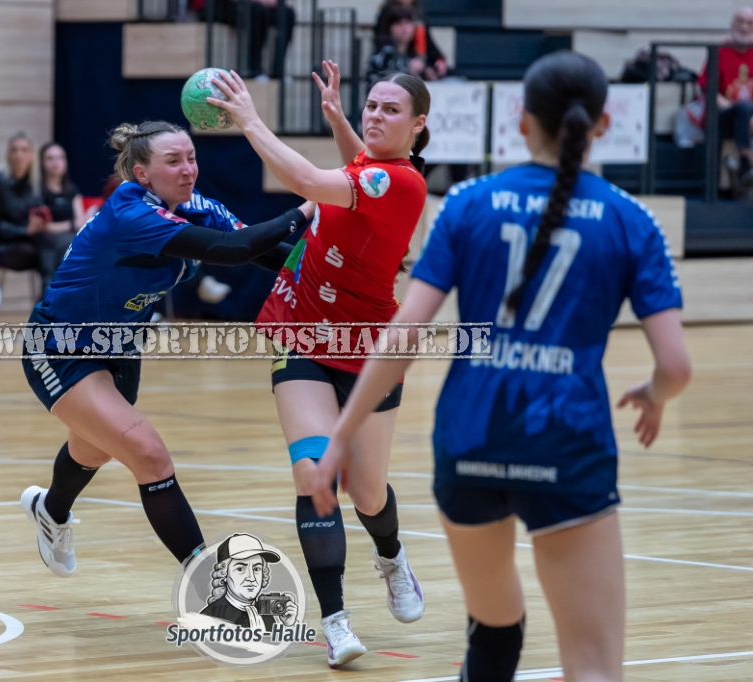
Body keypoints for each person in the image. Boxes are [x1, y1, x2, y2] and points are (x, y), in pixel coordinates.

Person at [312, 52, 691, 682]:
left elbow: (404, 333)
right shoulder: (631, 219)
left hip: (471, 442)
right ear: (603, 124)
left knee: (493, 627)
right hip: (567, 443)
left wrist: (341, 437)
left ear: (521, 121)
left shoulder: (469, 202)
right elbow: (675, 365)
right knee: (593, 665)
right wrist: (655, 392)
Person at [19, 120, 314, 577]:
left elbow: (265, 251)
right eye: (173, 161)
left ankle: (50, 509)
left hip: (120, 347)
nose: (188, 169)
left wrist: (336, 272)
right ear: (142, 173)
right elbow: (232, 248)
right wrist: (309, 207)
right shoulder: (131, 214)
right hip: (60, 346)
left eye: (191, 157)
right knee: (150, 456)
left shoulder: (196, 206)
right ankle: (208, 586)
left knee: (94, 450)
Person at [207, 63, 429, 668]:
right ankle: (335, 622)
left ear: (417, 125)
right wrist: (336, 119)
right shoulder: (372, 168)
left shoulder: (402, 183)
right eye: (371, 104)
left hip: (368, 347)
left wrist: (250, 121)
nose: (375, 114)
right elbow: (361, 164)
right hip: (301, 327)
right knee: (314, 474)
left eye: (390, 110)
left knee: (367, 491)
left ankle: (391, 556)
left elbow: (305, 178)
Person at [0, 132, 67, 296]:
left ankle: (48, 300)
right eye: (14, 150)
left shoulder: (32, 186)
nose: (19, 155)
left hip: (26, 242)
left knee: (54, 245)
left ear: (32, 156)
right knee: (49, 252)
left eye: (24, 150)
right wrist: (24, 230)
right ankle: (48, 301)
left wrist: (37, 224)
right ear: (8, 155)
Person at [698, 7, 753, 196]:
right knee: (743, 109)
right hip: (723, 115)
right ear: (732, 25)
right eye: (740, 22)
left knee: (745, 110)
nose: (744, 27)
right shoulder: (720, 51)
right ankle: (744, 164)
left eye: (750, 23)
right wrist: (738, 110)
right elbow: (708, 90)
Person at [200, 533, 298, 629]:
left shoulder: (266, 614)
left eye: (256, 569)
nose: (251, 578)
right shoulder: (209, 618)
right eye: (240, 569)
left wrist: (289, 625)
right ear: (224, 574)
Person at [193, 0, 296, 79]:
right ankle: (254, 71)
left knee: (287, 13)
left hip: (249, 6)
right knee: (256, 10)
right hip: (219, 6)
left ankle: (278, 72)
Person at [369, 1, 449, 85]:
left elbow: (428, 43)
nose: (405, 28)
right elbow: (386, 71)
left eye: (408, 23)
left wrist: (436, 61)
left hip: (413, 58)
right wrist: (407, 68)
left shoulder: (418, 11)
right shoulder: (384, 54)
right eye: (399, 24)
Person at [39, 141, 96, 238]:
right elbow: (42, 226)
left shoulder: (72, 189)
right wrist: (71, 225)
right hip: (49, 238)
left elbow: (80, 220)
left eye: (60, 158)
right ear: (42, 162)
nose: (55, 162)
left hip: (72, 235)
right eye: (50, 158)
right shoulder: (38, 190)